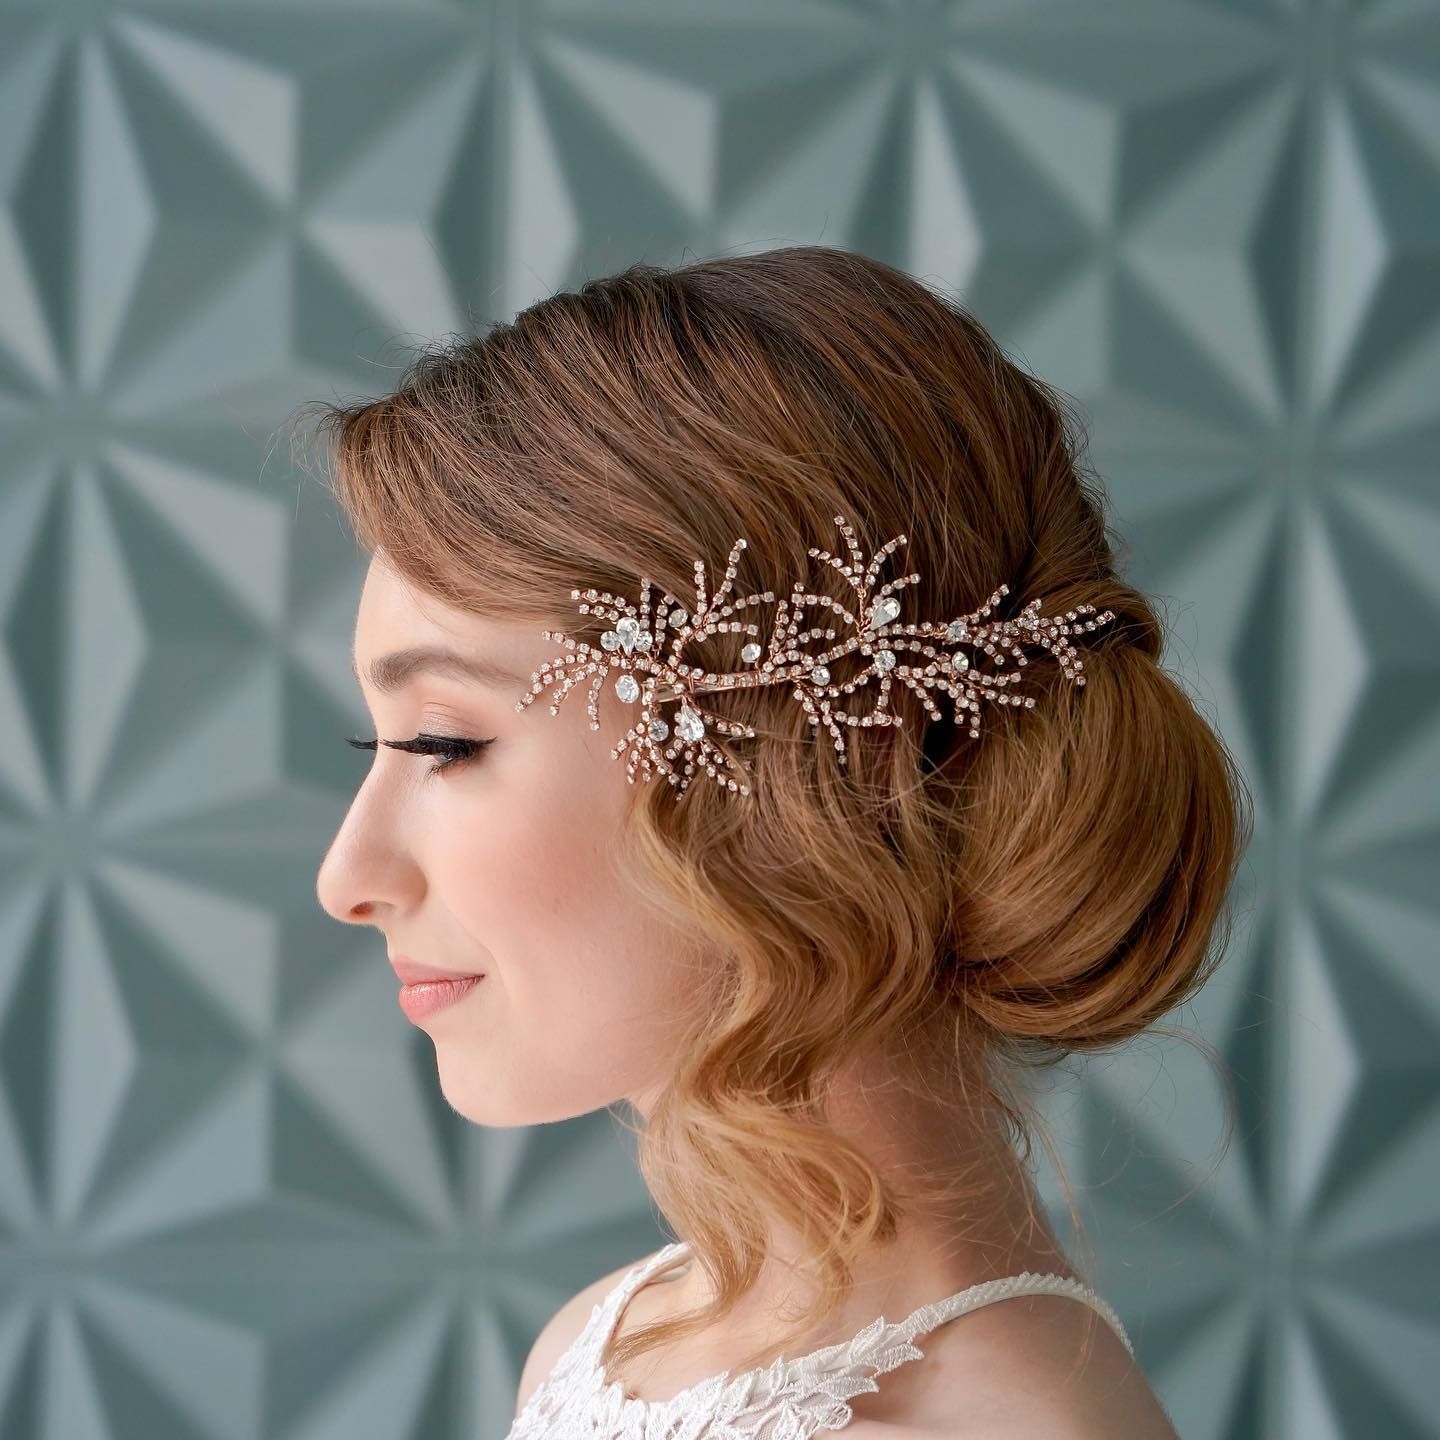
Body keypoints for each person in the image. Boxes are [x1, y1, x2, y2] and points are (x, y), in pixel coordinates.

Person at [306, 244, 1252, 1438]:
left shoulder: (999, 1423)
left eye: (443, 745)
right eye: (373, 748)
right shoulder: (599, 1347)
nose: (348, 878)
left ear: (782, 767)